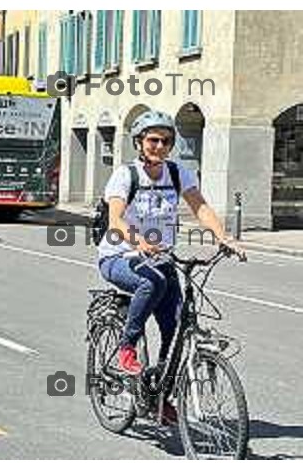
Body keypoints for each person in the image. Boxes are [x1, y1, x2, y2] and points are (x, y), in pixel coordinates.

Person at [98, 111, 244, 420]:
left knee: (176, 327)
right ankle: (127, 347)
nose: (160, 146)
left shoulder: (178, 173)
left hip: (159, 258)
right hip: (119, 256)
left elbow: (200, 206)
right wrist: (139, 242)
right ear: (139, 142)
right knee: (152, 283)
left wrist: (223, 237)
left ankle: (158, 393)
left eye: (166, 141)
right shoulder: (126, 175)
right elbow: (115, 219)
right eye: (153, 140)